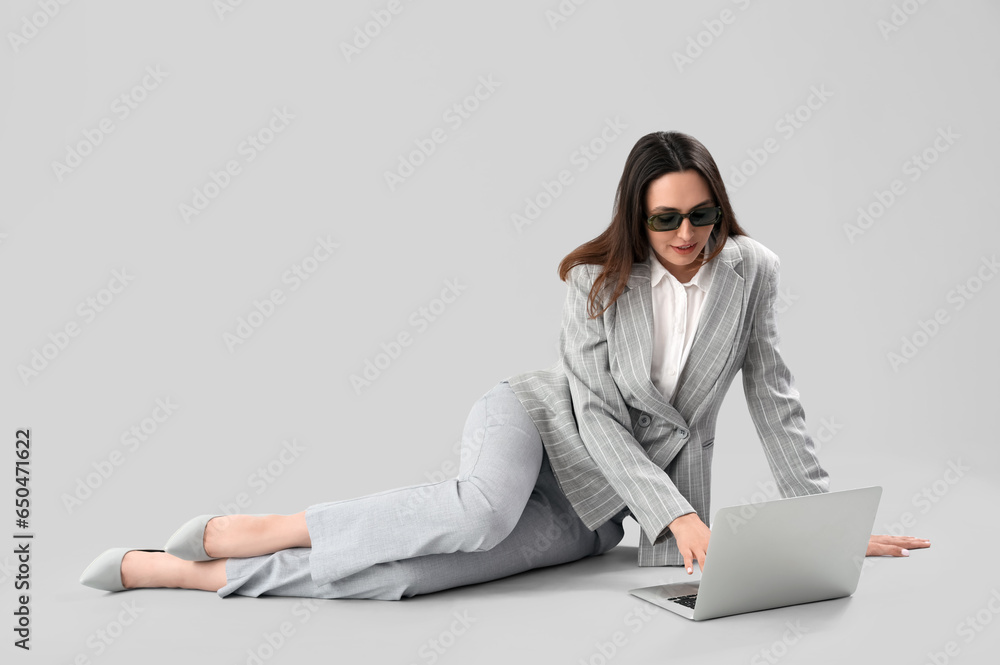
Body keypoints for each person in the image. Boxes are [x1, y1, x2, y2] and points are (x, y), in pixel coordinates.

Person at [80, 130, 929, 599]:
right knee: (481, 513)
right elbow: (595, 415)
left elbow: (774, 400)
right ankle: (269, 524)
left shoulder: (754, 273)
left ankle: (199, 573)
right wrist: (676, 516)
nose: (687, 234)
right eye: (667, 217)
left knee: (422, 574)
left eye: (703, 214)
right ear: (637, 216)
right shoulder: (594, 282)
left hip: (600, 506)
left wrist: (828, 523)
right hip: (538, 424)